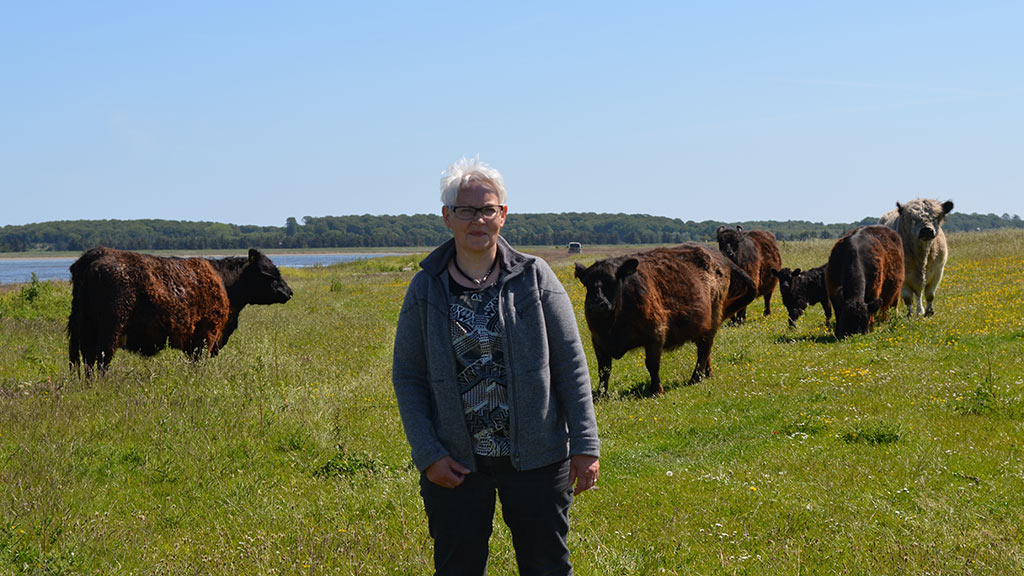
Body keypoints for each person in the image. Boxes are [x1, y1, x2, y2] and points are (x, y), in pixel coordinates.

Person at [392, 157, 601, 575]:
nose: (477, 219)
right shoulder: (426, 287)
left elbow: (571, 365)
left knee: (547, 568)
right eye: (465, 210)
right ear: (447, 217)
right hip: (456, 465)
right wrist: (429, 454)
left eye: (487, 209)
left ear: (502, 216)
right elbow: (408, 378)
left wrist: (585, 444)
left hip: (539, 461)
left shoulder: (535, 278)